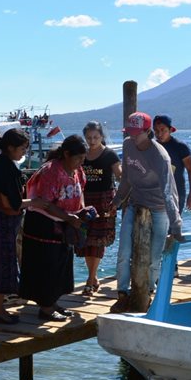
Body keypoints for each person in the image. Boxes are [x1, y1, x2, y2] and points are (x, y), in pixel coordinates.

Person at [110, 112, 184, 314]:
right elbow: (126, 179)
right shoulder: (127, 145)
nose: (133, 136)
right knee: (124, 252)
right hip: (135, 204)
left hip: (159, 208)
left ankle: (149, 293)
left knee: (154, 257)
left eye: (137, 133)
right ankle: (122, 294)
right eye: (130, 132)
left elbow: (169, 192)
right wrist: (116, 202)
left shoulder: (160, 156)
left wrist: (176, 225)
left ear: (147, 132)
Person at [20, 134, 92, 320]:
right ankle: (45, 308)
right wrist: (68, 217)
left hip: (64, 222)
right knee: (47, 265)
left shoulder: (77, 171)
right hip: (43, 224)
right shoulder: (51, 172)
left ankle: (52, 302)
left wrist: (81, 212)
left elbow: (80, 191)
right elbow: (45, 203)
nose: (81, 162)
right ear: (66, 154)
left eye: (83, 158)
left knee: (61, 264)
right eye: (78, 158)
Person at [0, 129, 31, 324]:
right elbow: (14, 202)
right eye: (21, 149)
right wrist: (36, 202)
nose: (23, 153)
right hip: (4, 221)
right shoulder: (6, 166)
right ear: (10, 147)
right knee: (4, 263)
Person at [78, 121, 121, 294]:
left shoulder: (109, 154)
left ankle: (90, 279)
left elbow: (119, 174)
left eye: (96, 137)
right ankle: (93, 276)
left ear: (102, 137)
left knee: (98, 240)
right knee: (85, 240)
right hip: (84, 199)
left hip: (104, 200)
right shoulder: (82, 154)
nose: (92, 140)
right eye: (89, 137)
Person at [153, 115, 191, 211]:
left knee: (174, 224)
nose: (159, 134)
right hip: (156, 194)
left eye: (163, 130)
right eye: (156, 130)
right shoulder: (152, 147)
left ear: (170, 130)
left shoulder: (180, 147)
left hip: (176, 193)